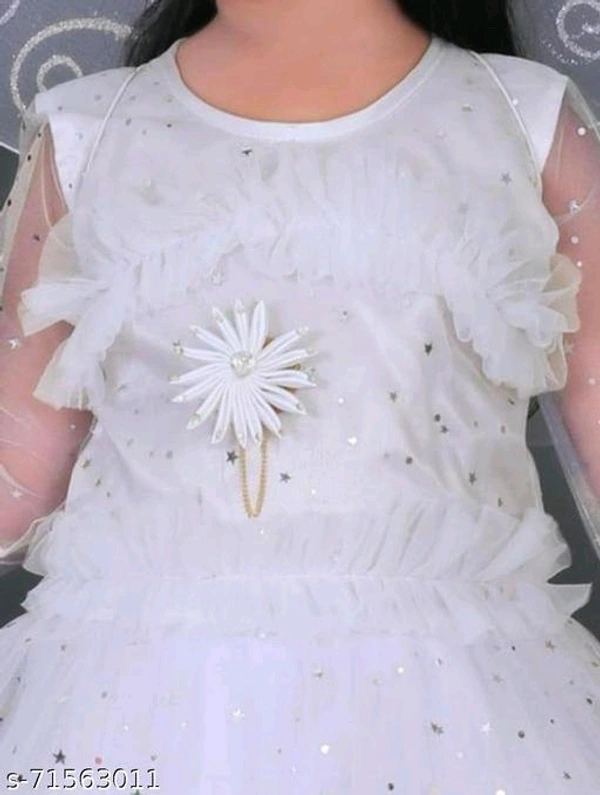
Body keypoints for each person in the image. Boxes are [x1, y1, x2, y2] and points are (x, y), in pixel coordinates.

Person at [1, 0, 599, 791]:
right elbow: (20, 465)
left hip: (456, 698)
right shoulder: (94, 130)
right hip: (131, 698)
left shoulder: (516, 116)